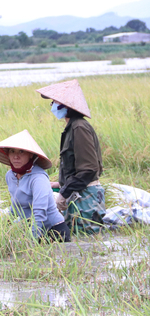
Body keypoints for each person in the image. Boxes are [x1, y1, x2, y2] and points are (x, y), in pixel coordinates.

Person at [36, 79, 105, 235]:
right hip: (78, 194)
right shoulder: (72, 127)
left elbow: (88, 169)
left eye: (54, 102)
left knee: (86, 242)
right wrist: (58, 184)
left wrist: (64, 193)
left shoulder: (79, 127)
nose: (52, 106)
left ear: (65, 105)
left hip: (85, 197)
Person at [0, 130, 71, 242]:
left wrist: (32, 240)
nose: (16, 156)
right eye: (12, 151)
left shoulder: (38, 178)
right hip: (30, 226)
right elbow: (15, 208)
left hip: (54, 231)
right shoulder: (10, 176)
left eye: (21, 152)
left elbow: (39, 212)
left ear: (30, 155)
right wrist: (0, 226)